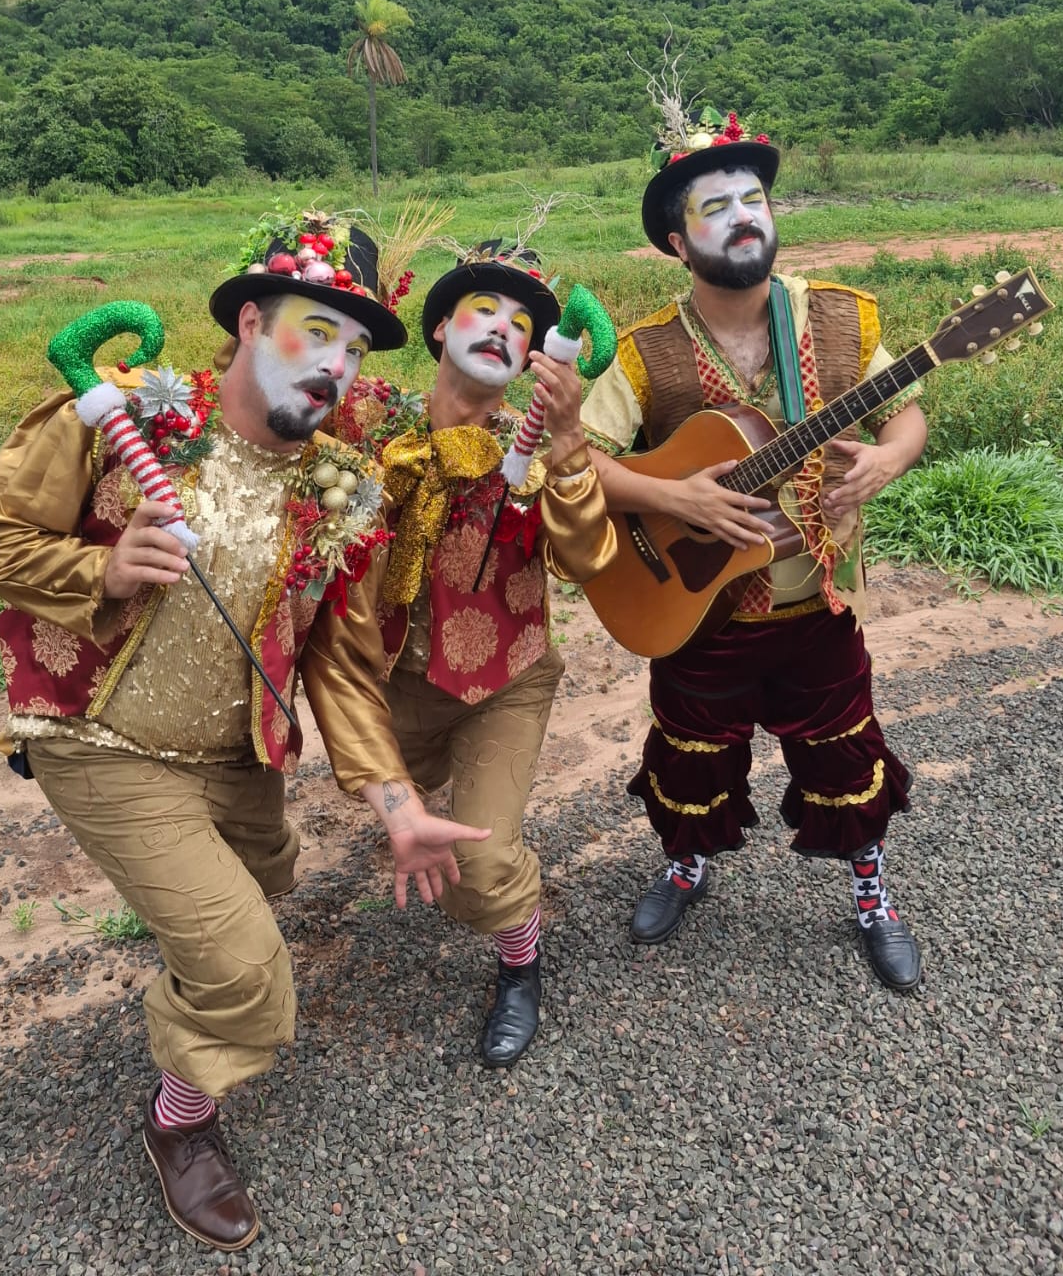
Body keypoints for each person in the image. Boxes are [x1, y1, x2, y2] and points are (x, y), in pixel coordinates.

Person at [0, 211, 488, 1253]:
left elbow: (340, 668)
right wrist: (101, 569)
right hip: (101, 737)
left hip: (236, 753)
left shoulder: (341, 491)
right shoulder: (127, 419)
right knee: (245, 967)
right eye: (314, 331)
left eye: (354, 347)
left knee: (262, 884)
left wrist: (398, 807)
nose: (336, 365)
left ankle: (195, 963)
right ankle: (178, 1124)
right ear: (249, 320)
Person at [580, 114, 928, 991]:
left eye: (754, 199)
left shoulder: (840, 320)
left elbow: (906, 415)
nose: (743, 216)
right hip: (697, 611)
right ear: (676, 241)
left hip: (817, 604)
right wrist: (675, 498)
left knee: (846, 753)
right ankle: (688, 865)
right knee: (690, 752)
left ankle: (871, 893)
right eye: (716, 207)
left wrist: (887, 459)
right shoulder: (646, 352)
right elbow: (578, 462)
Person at [336, 240, 615, 1066]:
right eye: (483, 310)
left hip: (503, 683)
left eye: (522, 325)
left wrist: (568, 439)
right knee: (375, 797)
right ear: (439, 330)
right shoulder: (368, 424)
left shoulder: (536, 456)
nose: (502, 328)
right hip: (387, 681)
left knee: (481, 865)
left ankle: (521, 963)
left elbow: (587, 559)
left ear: (534, 359)